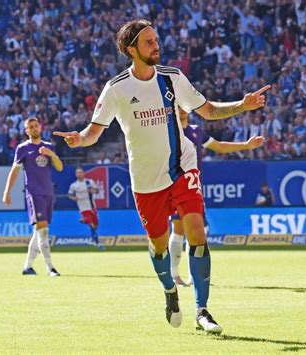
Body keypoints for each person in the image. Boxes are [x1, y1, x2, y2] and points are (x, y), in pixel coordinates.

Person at [54, 19, 270, 334]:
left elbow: (207, 110)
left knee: (197, 230)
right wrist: (78, 139)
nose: (157, 45)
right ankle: (170, 290)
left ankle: (203, 310)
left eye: (156, 40)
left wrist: (243, 105)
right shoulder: (116, 88)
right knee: (158, 247)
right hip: (145, 181)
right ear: (131, 50)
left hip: (182, 166)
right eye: (149, 42)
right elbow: (93, 132)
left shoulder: (173, 78)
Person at [169, 108, 265, 287]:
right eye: (178, 106)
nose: (181, 109)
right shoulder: (168, 131)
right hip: (174, 186)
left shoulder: (197, 131)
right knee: (178, 229)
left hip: (193, 187)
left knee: (197, 232)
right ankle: (174, 275)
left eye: (184, 106)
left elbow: (219, 146)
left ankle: (194, 276)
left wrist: (246, 145)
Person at [2, 117, 63, 276]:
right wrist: (7, 192)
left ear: (40, 128)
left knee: (39, 231)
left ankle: (27, 267)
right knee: (43, 230)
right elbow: (14, 171)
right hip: (34, 193)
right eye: (31, 127)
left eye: (36, 126)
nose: (34, 128)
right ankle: (50, 268)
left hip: (48, 192)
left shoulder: (49, 146)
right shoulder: (22, 148)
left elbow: (60, 167)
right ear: (26, 131)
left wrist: (52, 155)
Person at [68, 167, 104, 250]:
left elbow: (97, 190)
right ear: (76, 174)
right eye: (77, 173)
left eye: (80, 172)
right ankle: (98, 244)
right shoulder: (74, 185)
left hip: (92, 206)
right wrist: (73, 198)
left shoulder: (89, 182)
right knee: (91, 225)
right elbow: (69, 195)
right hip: (83, 207)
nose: (79, 174)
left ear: (83, 173)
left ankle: (85, 220)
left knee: (95, 226)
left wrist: (93, 191)